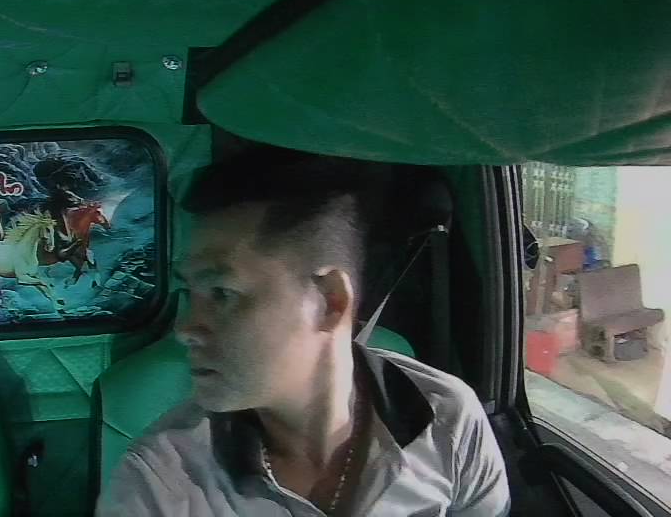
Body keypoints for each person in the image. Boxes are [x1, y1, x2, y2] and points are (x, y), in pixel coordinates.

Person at [97, 150, 510, 516]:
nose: (185, 329)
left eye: (222, 293)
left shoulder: (448, 420)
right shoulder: (160, 483)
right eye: (191, 293)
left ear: (329, 301)